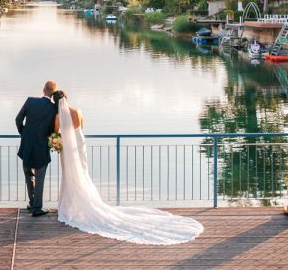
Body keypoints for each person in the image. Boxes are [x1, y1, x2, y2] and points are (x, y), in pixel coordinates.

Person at [53, 90, 203, 244]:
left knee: (69, 174)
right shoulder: (78, 112)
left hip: (67, 148)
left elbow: (57, 133)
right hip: (79, 143)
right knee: (82, 173)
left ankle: (69, 206)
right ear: (66, 98)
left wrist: (55, 141)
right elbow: (81, 128)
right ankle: (80, 202)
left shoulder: (58, 117)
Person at [15, 80, 59, 216]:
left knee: (29, 175)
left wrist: (24, 133)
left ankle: (32, 203)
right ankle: (36, 208)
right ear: (53, 94)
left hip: (27, 145)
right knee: (40, 178)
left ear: (43, 89)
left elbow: (18, 119)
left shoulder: (30, 101)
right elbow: (53, 130)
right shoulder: (53, 108)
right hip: (42, 147)